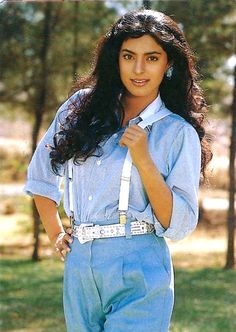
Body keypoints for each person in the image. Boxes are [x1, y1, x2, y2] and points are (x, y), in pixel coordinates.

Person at [24, 9, 212, 332]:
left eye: (152, 58)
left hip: (140, 267)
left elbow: (178, 224)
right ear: (117, 59)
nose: (139, 69)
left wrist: (144, 160)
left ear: (168, 64)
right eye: (129, 56)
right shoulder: (79, 109)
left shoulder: (177, 133)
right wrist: (57, 235)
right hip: (80, 268)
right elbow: (41, 175)